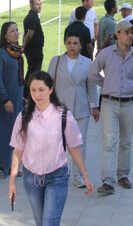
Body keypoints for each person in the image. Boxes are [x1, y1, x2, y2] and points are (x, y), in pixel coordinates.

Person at [8, 71, 94, 226]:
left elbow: (74, 148)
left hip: (57, 177)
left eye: (41, 90)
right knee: (40, 222)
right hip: (31, 178)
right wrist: (12, 181)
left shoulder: (64, 116)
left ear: (51, 89)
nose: (37, 95)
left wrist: (85, 175)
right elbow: (18, 150)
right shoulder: (22, 117)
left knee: (50, 222)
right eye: (33, 90)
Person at [88, 20, 133, 194]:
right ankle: (107, 181)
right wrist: (106, 84)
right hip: (109, 103)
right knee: (109, 143)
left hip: (129, 103)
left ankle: (123, 175)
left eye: (132, 33)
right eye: (126, 32)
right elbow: (92, 73)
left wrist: (129, 86)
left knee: (126, 142)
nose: (130, 36)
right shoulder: (105, 54)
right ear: (117, 35)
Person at [47, 30, 99, 188]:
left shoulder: (87, 62)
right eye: (69, 43)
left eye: (75, 43)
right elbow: (48, 85)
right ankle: (59, 172)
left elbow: (92, 87)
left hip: (81, 108)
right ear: (65, 43)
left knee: (79, 143)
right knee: (59, 142)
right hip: (60, 109)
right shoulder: (56, 61)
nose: (72, 46)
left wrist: (94, 106)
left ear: (81, 45)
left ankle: (79, 175)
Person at [0, 22, 24, 176]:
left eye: (17, 30)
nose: (16, 33)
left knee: (15, 133)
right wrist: (5, 99)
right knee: (4, 133)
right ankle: (3, 163)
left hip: (17, 98)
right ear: (5, 35)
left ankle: (4, 162)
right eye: (12, 31)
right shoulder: (2, 53)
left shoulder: (17, 52)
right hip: (5, 100)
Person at [23, 0, 44, 96]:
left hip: (34, 49)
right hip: (33, 50)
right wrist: (24, 45)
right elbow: (29, 34)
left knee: (31, 71)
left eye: (40, 4)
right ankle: (28, 94)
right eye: (37, 4)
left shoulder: (33, 16)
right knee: (34, 73)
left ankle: (26, 93)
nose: (39, 6)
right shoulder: (32, 18)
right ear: (31, 6)